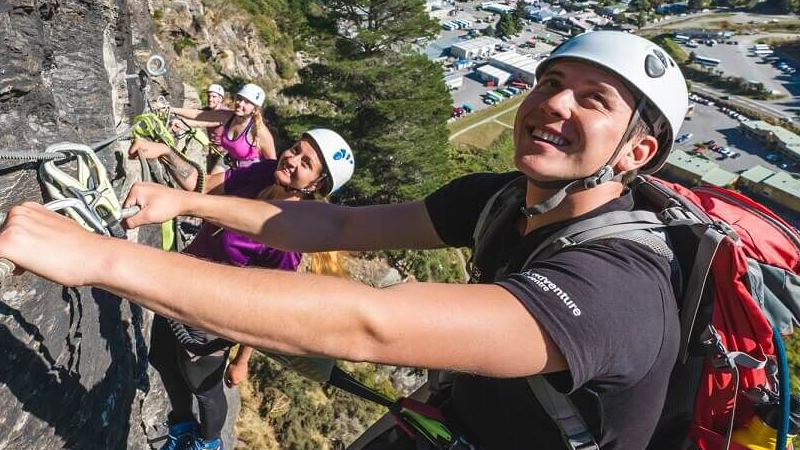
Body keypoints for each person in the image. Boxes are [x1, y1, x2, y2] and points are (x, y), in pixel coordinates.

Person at [0, 32, 689, 449]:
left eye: (594, 101)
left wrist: (98, 258)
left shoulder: (617, 290)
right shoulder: (499, 199)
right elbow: (337, 223)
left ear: (636, 153)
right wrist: (177, 199)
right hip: (443, 427)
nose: (554, 103)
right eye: (552, 82)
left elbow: (373, 323)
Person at [126, 128, 355, 450]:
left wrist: (242, 359)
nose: (291, 159)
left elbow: (263, 302)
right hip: (177, 282)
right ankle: (181, 425)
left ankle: (208, 443)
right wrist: (165, 151)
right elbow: (205, 187)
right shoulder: (263, 173)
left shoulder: (289, 233)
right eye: (295, 149)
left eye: (306, 163)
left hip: (212, 315)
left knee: (202, 387)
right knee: (162, 358)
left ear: (315, 185)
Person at [165, 83, 276, 169]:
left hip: (250, 174)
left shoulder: (260, 131)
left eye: (246, 102)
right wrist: (170, 108)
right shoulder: (228, 116)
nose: (240, 103)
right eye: (239, 99)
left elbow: (272, 164)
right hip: (228, 162)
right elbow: (198, 115)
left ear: (255, 109)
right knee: (203, 184)